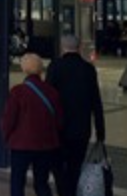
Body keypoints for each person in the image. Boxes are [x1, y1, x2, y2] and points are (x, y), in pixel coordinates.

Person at [45, 35, 106, 196]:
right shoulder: (88, 69)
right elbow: (96, 101)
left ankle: (63, 192)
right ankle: (71, 191)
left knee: (58, 165)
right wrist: (100, 130)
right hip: (81, 128)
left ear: (62, 47)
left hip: (58, 127)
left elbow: (48, 96)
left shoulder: (55, 66)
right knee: (75, 166)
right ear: (79, 47)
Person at [1, 53, 63, 196]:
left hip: (21, 145)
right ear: (41, 70)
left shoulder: (17, 92)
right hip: (46, 145)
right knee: (42, 183)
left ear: (24, 69)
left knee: (17, 182)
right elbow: (59, 119)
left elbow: (8, 119)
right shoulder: (52, 92)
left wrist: (7, 138)